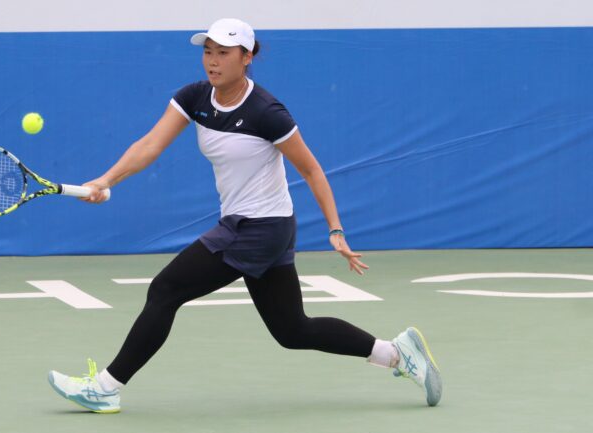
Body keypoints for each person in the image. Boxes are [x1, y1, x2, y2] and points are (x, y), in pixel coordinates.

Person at [47, 18, 442, 413]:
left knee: (166, 290)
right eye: (207, 51)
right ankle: (396, 353)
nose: (212, 61)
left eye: (223, 53)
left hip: (259, 228)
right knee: (292, 329)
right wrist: (106, 179)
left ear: (247, 57)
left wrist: (335, 229)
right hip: (261, 226)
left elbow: (311, 170)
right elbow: (151, 145)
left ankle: (106, 386)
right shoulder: (195, 97)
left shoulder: (267, 112)